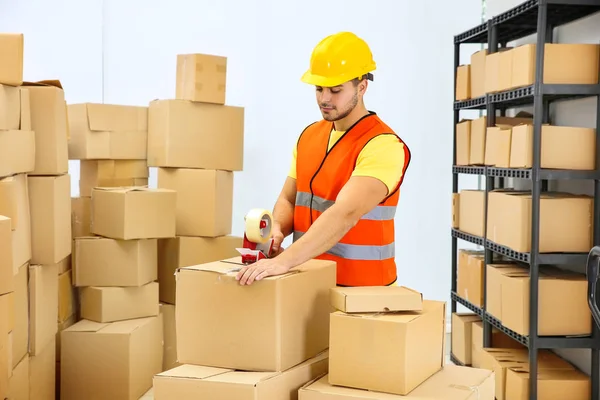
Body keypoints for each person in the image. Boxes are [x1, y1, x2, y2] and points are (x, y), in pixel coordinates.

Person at [236, 31, 411, 286]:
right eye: (319, 89)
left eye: (335, 90)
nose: (324, 99)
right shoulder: (309, 136)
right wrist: (277, 230)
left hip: (364, 293)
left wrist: (283, 262)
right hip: (309, 283)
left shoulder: (382, 145)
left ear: (362, 87)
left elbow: (345, 213)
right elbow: (288, 198)